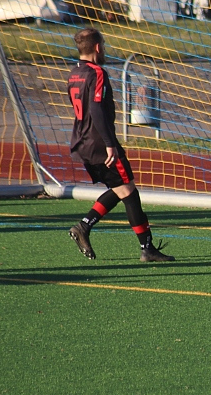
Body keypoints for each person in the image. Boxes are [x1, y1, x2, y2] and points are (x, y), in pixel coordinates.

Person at [66, 28, 174, 263]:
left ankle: (84, 226)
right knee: (129, 192)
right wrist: (109, 143)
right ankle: (146, 248)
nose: (104, 49)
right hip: (99, 142)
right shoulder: (97, 73)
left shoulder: (74, 73)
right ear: (97, 47)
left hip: (81, 141)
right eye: (103, 45)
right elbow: (96, 109)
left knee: (121, 188)